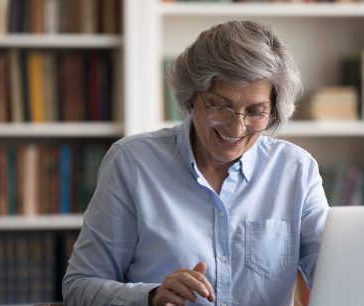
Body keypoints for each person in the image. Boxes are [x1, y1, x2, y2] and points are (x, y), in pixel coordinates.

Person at [62, 20, 329, 306]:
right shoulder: (132, 163)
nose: (237, 128)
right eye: (219, 106)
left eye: (255, 112)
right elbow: (79, 287)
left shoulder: (296, 170)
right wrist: (149, 297)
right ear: (192, 97)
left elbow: (336, 275)